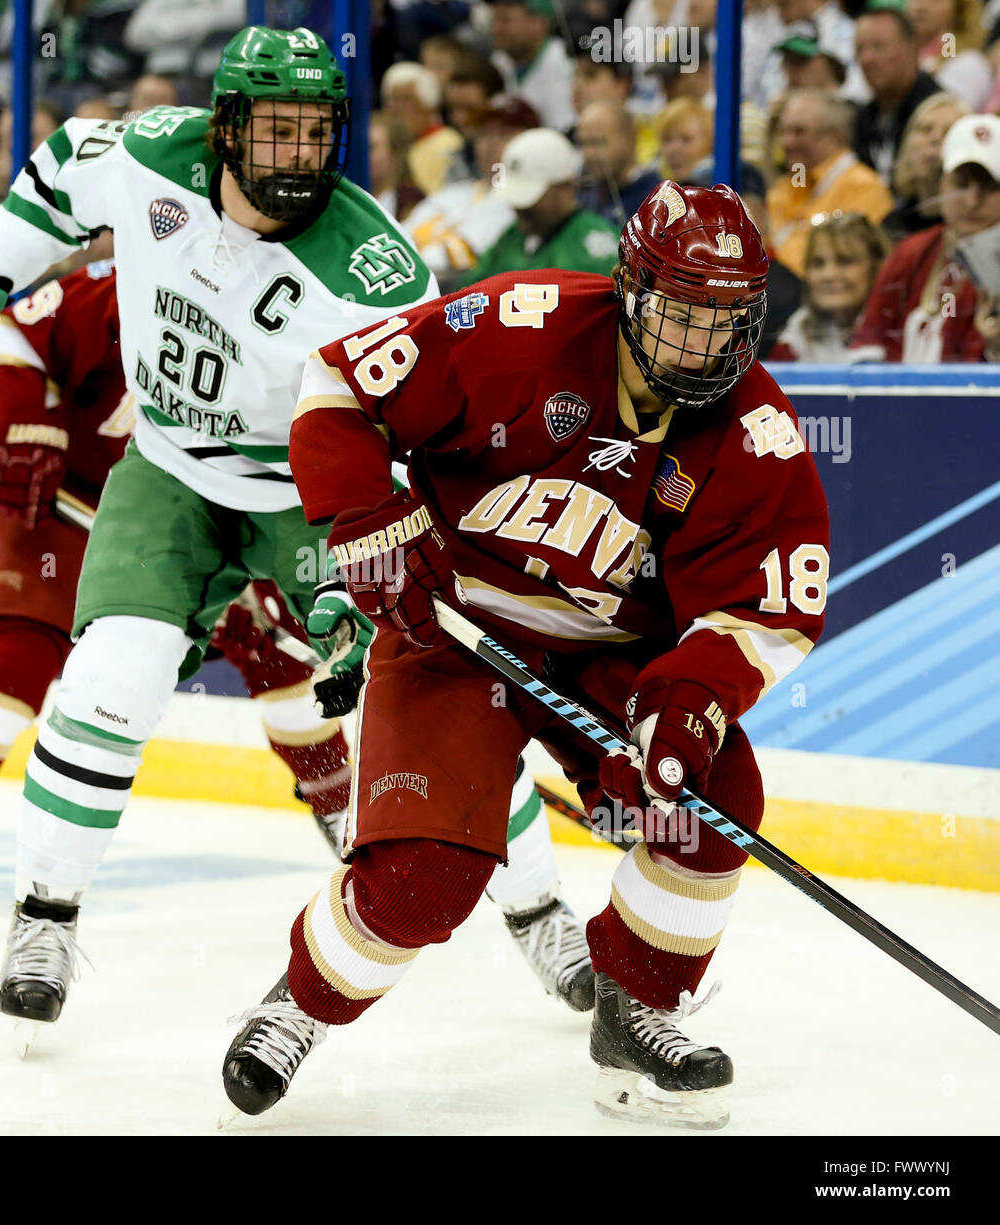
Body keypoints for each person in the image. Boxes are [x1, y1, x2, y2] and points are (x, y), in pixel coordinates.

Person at [0, 25, 596, 1044]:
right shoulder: (151, 155)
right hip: (170, 467)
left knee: (425, 713)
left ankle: (539, 912)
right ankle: (44, 916)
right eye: (276, 132)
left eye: (318, 133)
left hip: (313, 491)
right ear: (224, 130)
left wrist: (373, 561)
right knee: (112, 672)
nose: (299, 157)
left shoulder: (373, 271)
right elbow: (55, 175)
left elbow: (411, 436)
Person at [223, 179, 830, 1130]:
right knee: (423, 879)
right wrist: (367, 510)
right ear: (630, 288)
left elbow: (762, 611)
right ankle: (298, 1002)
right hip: (454, 637)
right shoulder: (521, 326)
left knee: (711, 807)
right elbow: (338, 380)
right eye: (680, 314)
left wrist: (684, 705)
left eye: (726, 322)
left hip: (614, 654)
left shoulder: (756, 433)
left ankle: (638, 1012)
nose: (702, 346)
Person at [0, 261, 354, 927]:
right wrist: (19, 425)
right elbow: (14, 331)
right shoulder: (120, 283)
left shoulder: (283, 297)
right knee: (16, 655)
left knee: (284, 660)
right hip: (71, 499)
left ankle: (340, 805)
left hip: (213, 513)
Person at [850, 112, 1000, 361]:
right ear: (940, 183)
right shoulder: (910, 252)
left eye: (991, 187)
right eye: (961, 184)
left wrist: (995, 349)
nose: (972, 202)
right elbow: (869, 340)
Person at [403, 95, 536, 289]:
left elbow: (460, 258)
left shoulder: (523, 205)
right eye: (483, 135)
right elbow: (400, 235)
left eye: (504, 134)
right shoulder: (453, 193)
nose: (491, 144)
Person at [768, 87, 894, 276]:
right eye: (784, 132)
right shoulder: (786, 186)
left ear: (836, 136)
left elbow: (848, 266)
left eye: (799, 131)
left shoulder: (865, 188)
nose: (787, 142)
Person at [467, 127, 618, 283]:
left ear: (565, 187)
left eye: (529, 198)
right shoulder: (512, 236)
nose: (520, 208)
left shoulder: (592, 245)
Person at [769, 212, 891, 360]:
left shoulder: (901, 328)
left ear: (877, 267)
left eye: (845, 261)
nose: (829, 275)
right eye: (817, 263)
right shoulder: (799, 330)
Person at [853, 3, 942, 181]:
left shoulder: (937, 113)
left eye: (879, 47)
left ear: (913, 47)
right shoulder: (862, 118)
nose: (867, 59)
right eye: (860, 49)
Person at [883, 91, 968, 240]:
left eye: (949, 131)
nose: (935, 138)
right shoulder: (891, 226)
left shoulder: (972, 225)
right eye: (925, 129)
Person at [486, 0, 575, 132]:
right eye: (493, 19)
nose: (496, 28)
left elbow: (565, 130)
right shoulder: (499, 60)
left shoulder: (564, 63)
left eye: (505, 20)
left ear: (538, 24)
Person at [576, 98, 663, 230]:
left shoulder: (656, 199)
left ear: (629, 139)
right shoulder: (583, 198)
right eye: (583, 144)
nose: (589, 154)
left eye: (598, 142)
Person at [380, 62, 464, 198]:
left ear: (429, 105)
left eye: (406, 99)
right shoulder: (384, 146)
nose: (396, 108)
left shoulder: (447, 143)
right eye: (392, 99)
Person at [908, 0, 992, 109]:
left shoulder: (969, 62)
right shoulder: (898, 56)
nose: (919, 7)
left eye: (934, 1)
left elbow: (947, 117)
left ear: (960, 9)